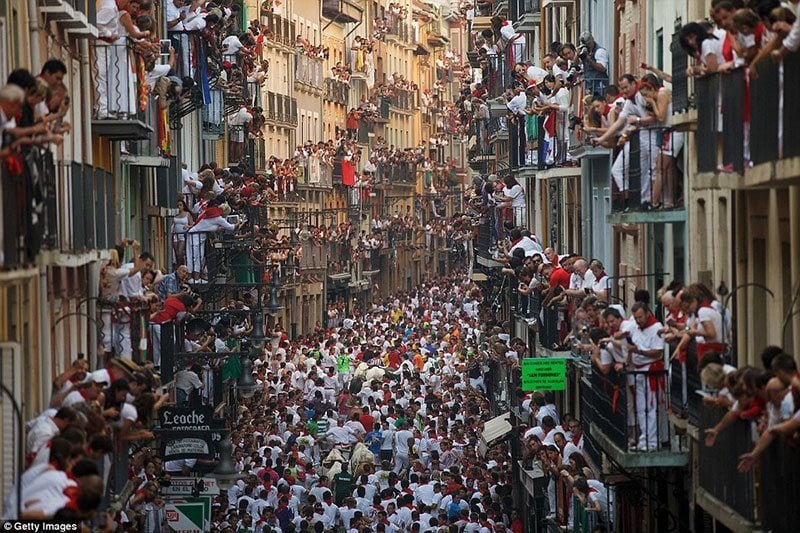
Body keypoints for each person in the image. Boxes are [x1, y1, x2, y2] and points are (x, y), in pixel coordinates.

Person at [627, 302, 665, 451]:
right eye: (636, 318)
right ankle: (644, 439)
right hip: (638, 371)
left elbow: (658, 352)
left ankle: (653, 441)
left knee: (651, 406)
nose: (638, 320)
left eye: (640, 317)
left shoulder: (656, 327)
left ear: (647, 313)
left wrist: (639, 351)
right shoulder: (636, 328)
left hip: (651, 371)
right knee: (641, 407)